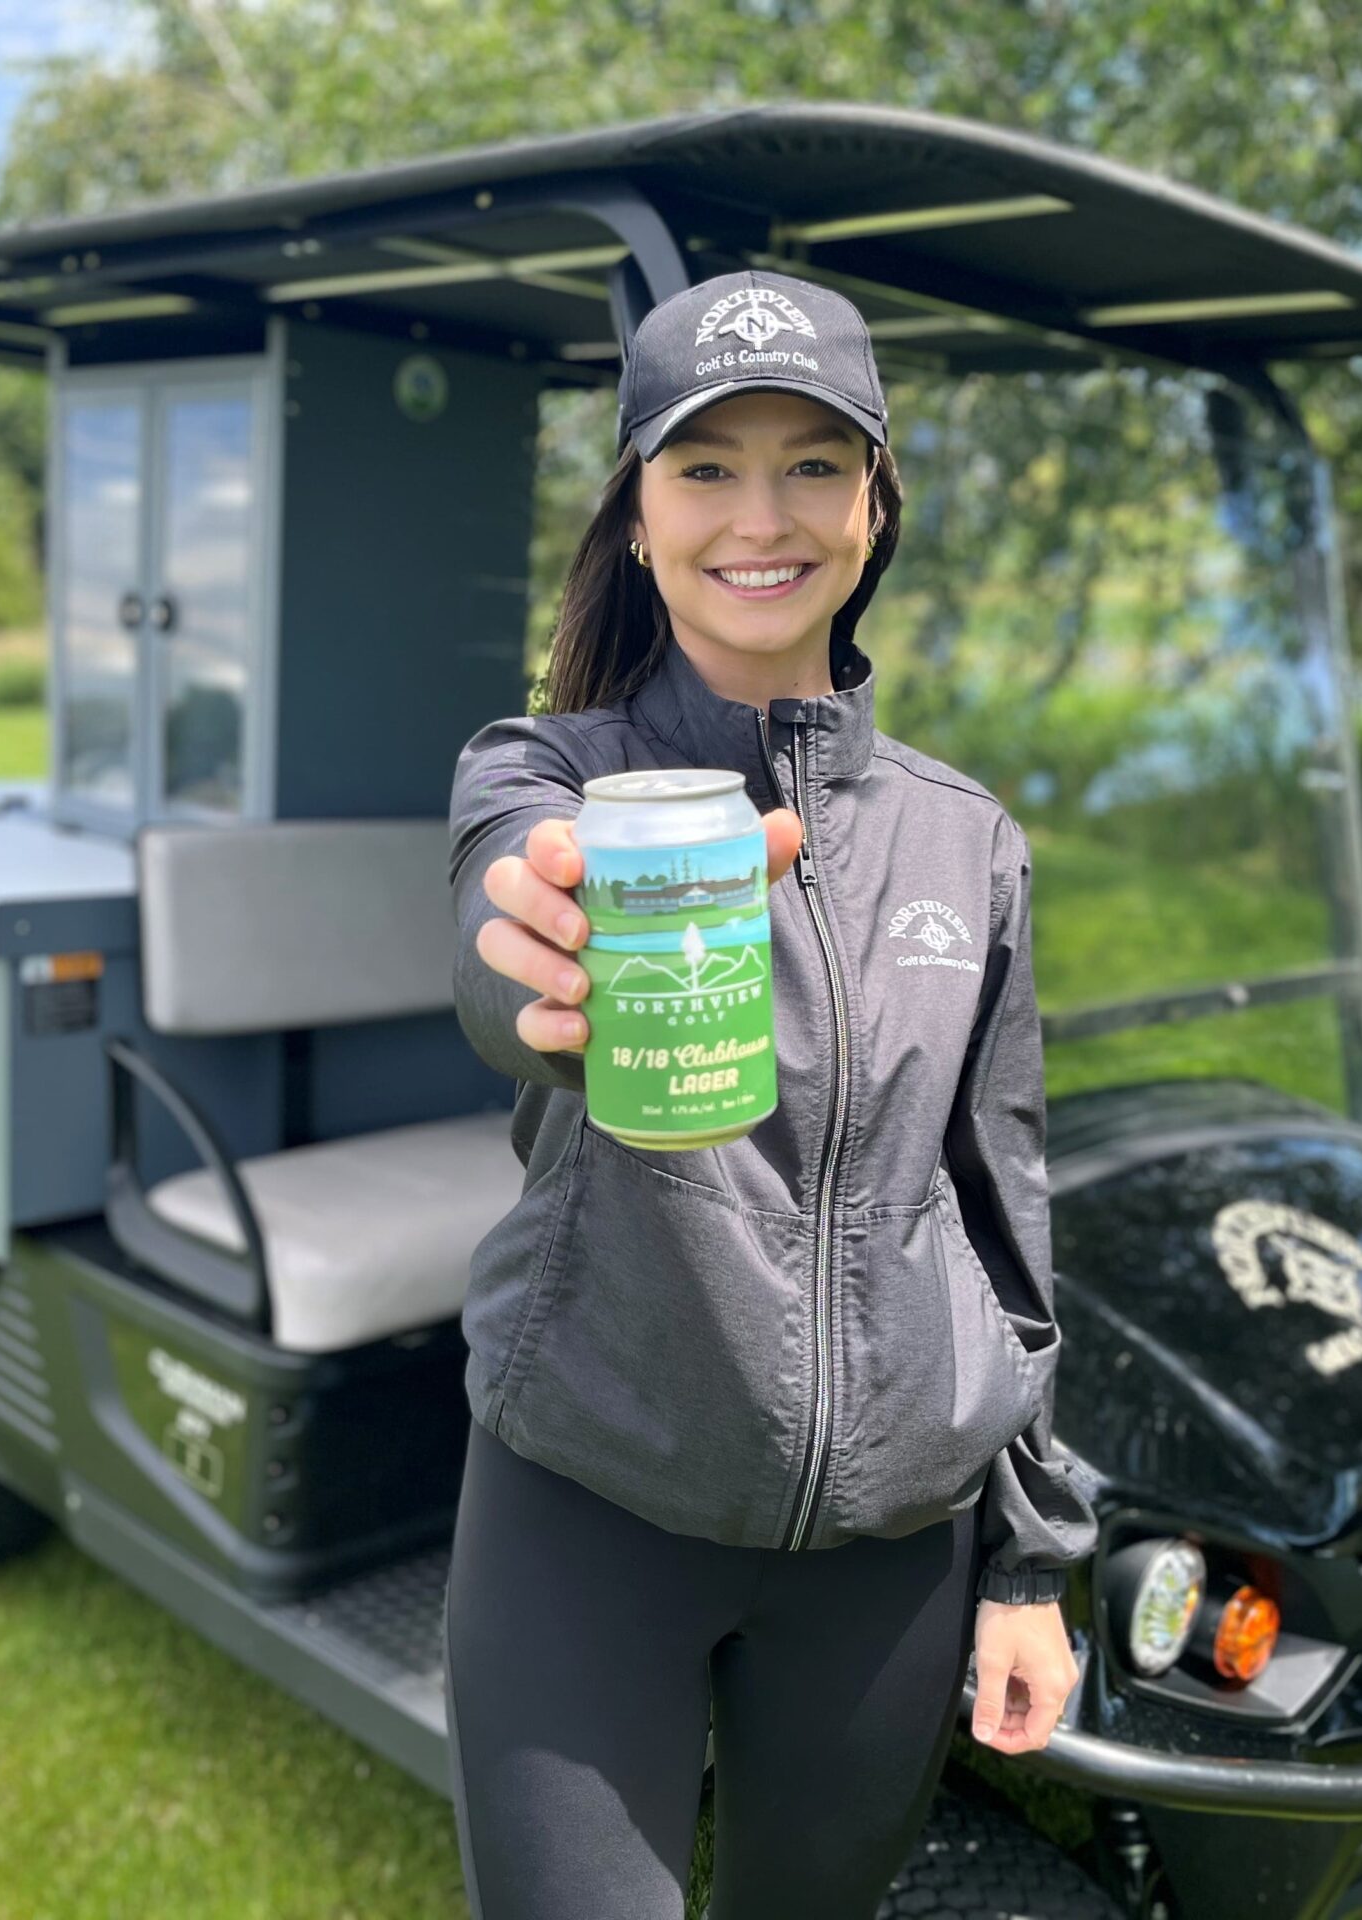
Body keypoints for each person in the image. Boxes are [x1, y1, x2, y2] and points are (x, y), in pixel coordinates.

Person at [442, 268, 1102, 1919]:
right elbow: (504, 929)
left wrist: (1026, 1561)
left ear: (877, 506)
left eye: (815, 461)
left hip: (891, 1558)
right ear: (640, 510)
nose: (764, 513)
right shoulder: (545, 777)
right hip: (593, 1505)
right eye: (705, 465)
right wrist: (544, 959)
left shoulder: (969, 840)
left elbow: (999, 1210)